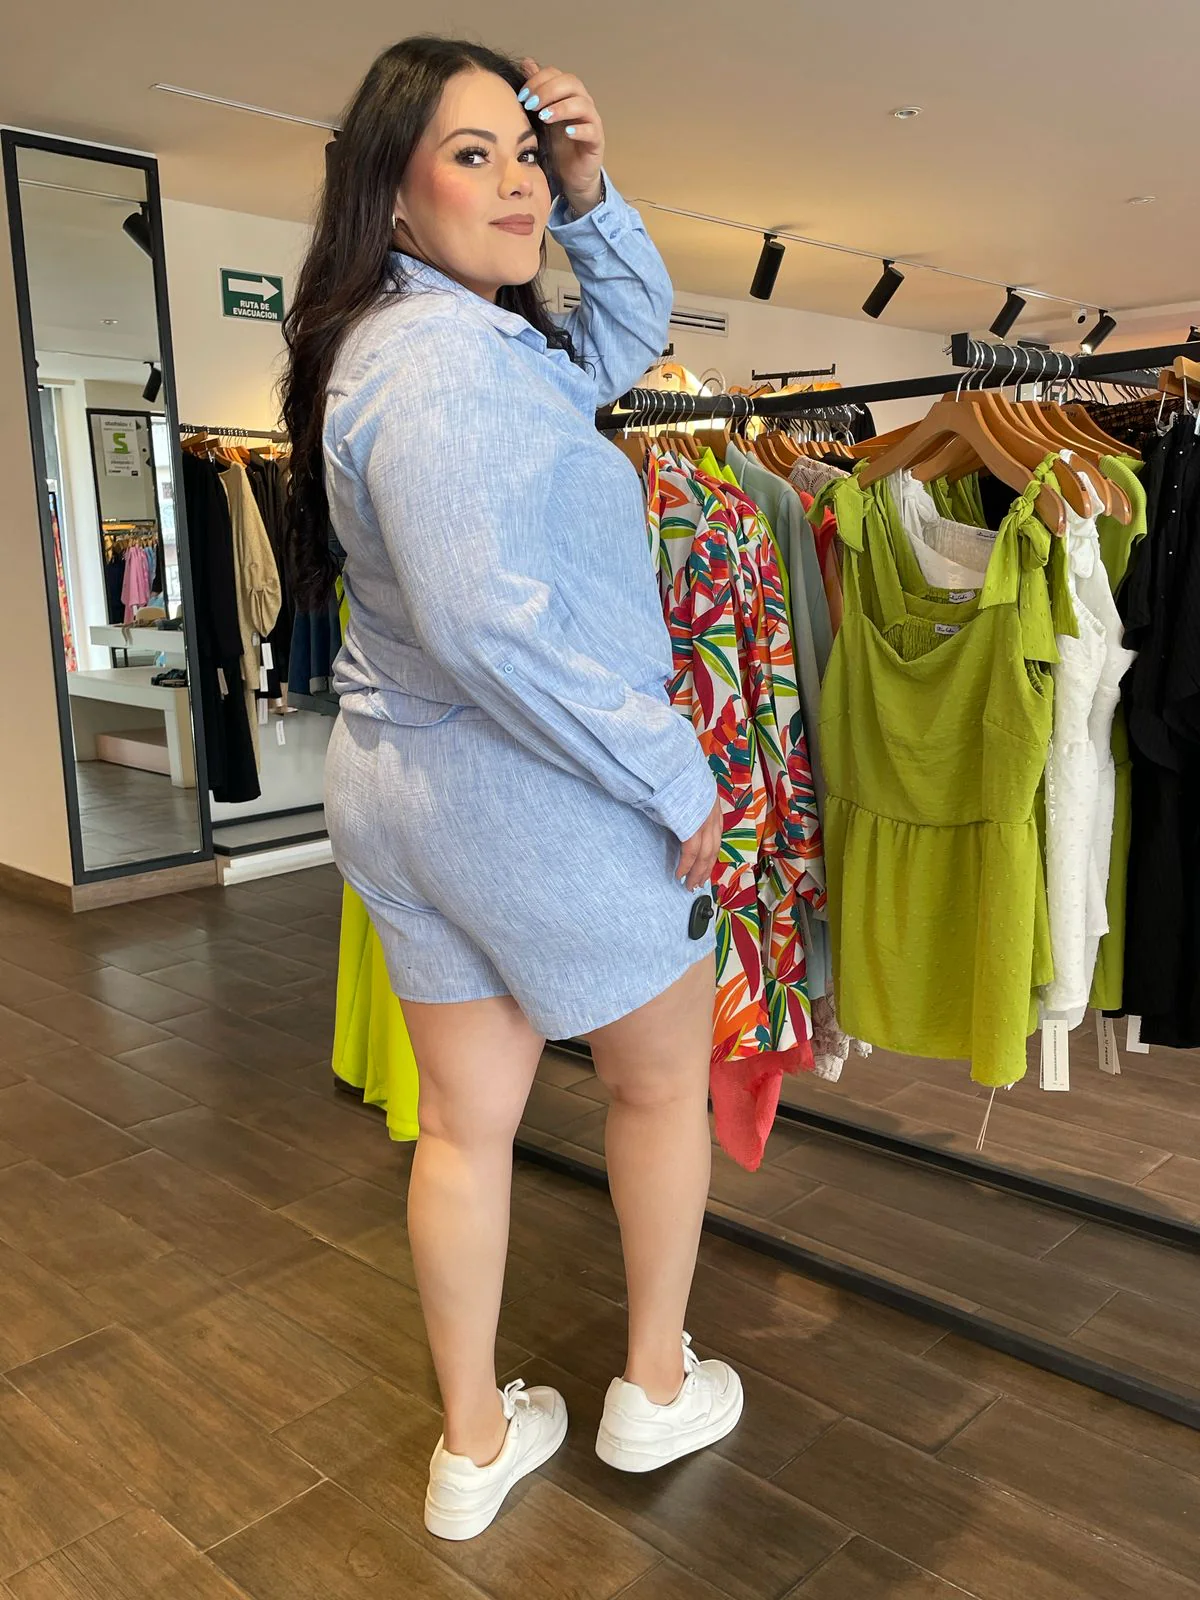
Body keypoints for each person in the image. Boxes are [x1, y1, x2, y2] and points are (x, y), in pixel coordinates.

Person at [281, 35, 742, 1543]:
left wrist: (594, 194)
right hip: (526, 796)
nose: (519, 183)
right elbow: (490, 625)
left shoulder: (431, 342)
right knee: (658, 1083)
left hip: (406, 791)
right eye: (472, 156)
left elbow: (622, 340)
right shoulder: (446, 368)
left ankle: (474, 1445)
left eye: (525, 154)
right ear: (392, 191)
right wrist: (673, 772)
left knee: (468, 1129)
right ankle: (653, 1382)